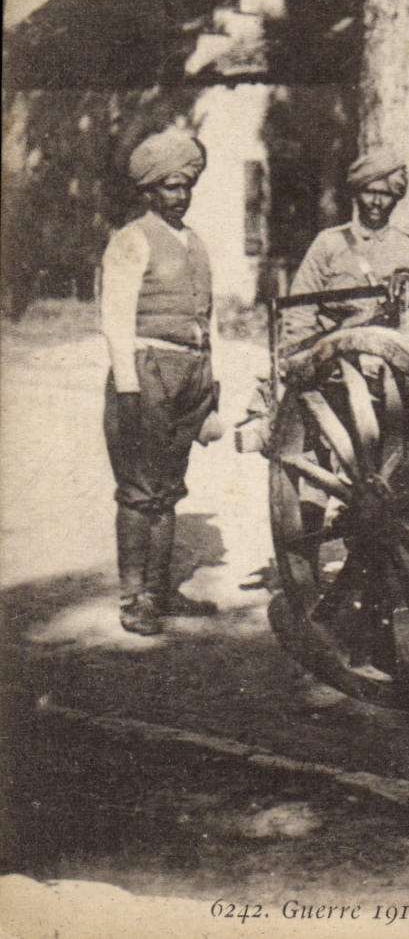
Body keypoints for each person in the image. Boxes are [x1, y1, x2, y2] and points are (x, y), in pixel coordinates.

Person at [102, 129, 224, 635]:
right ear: (150, 192)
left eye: (186, 185)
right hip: (147, 372)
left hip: (189, 376)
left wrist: (211, 394)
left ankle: (162, 590)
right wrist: (130, 391)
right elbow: (115, 319)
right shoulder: (131, 239)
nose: (180, 195)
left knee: (169, 490)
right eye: (170, 187)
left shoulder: (194, 242)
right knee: (139, 490)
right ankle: (135, 599)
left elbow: (207, 322)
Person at [284, 150, 409, 340]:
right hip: (336, 355)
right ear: (356, 193)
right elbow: (299, 312)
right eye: (369, 192)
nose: (377, 202)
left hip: (394, 357)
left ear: (396, 198)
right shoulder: (329, 243)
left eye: (385, 194)